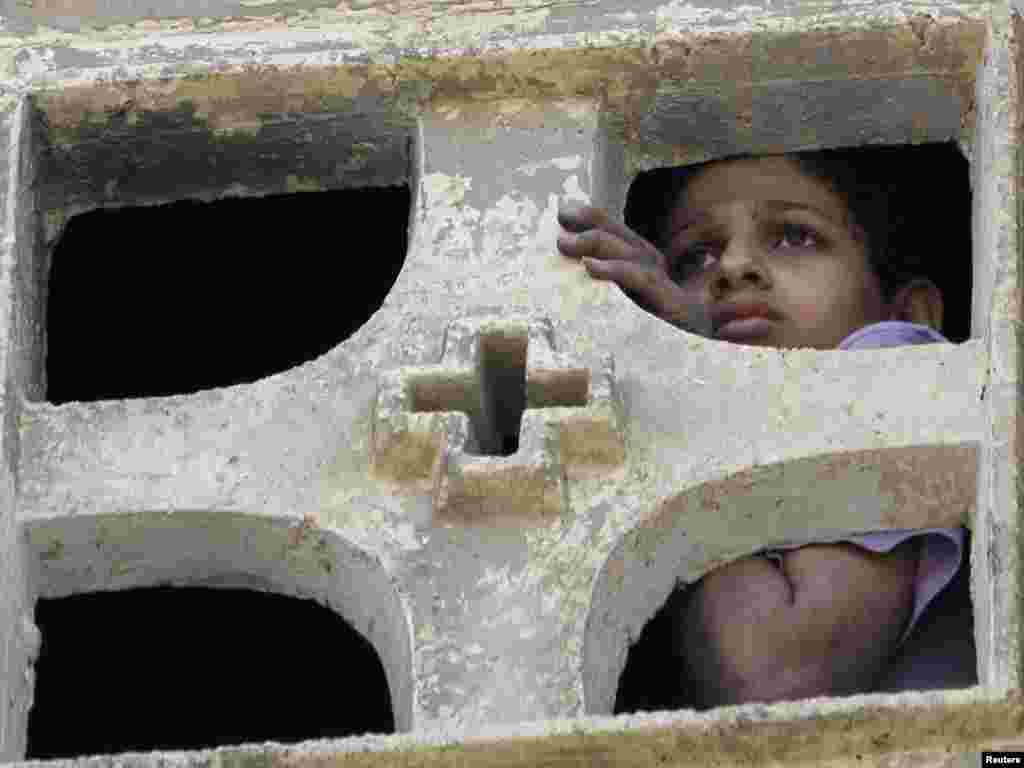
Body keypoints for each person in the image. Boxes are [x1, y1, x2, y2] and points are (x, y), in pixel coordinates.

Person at [555, 150, 976, 708]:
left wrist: (690, 377)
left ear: (910, 311)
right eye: (693, 258)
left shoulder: (893, 355)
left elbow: (776, 679)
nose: (733, 267)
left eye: (794, 236)